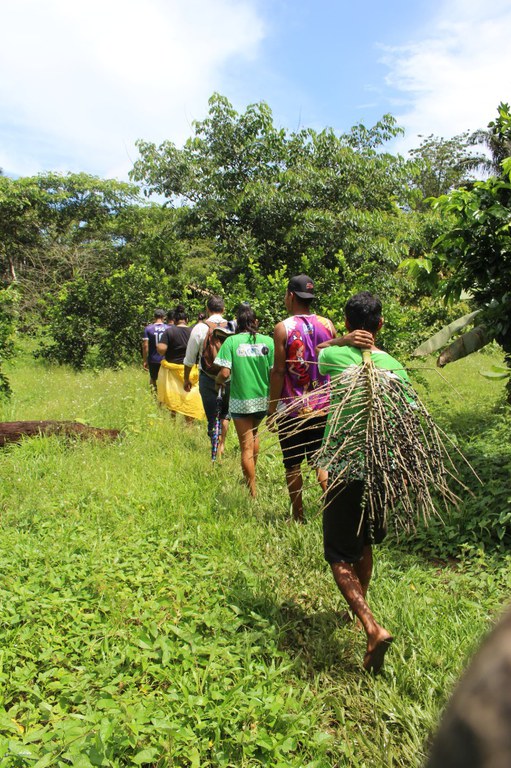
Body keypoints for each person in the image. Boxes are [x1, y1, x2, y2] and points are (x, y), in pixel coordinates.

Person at [316, 291, 410, 674]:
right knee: (366, 541)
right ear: (381, 325)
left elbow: (320, 349)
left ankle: (371, 626)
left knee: (339, 554)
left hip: (345, 470)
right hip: (381, 470)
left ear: (348, 324)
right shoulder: (396, 366)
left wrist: (341, 340)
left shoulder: (335, 356)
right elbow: (408, 416)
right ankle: (361, 610)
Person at [267, 275, 337, 522]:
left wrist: (271, 409)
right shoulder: (327, 325)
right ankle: (334, 513)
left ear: (291, 296)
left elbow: (278, 371)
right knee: (322, 462)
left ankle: (298, 516)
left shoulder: (283, 328)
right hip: (323, 406)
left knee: (292, 464)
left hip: (292, 410)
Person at [215, 304, 274, 497]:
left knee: (245, 446)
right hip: (263, 400)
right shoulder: (268, 342)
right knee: (254, 434)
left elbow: (224, 373)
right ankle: (252, 473)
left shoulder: (231, 342)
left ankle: (252, 491)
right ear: (256, 322)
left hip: (241, 401)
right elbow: (274, 372)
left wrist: (217, 382)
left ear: (237, 324)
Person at [183, 295, 232, 456]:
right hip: (228, 376)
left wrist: (186, 379)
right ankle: (222, 445)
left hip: (207, 376)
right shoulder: (232, 326)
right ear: (223, 309)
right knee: (225, 413)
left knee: (212, 416)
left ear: (207, 309)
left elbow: (190, 358)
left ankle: (214, 448)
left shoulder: (199, 328)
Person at [156, 305, 205, 422]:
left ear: (174, 320)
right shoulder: (192, 331)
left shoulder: (169, 331)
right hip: (190, 370)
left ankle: (172, 421)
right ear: (187, 320)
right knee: (190, 397)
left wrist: (159, 347)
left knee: (172, 396)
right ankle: (189, 424)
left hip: (173, 371)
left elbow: (162, 349)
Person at [142, 309, 168, 392]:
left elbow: (145, 346)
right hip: (165, 359)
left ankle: (154, 397)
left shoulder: (148, 328)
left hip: (153, 359)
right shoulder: (168, 328)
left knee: (153, 379)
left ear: (154, 317)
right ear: (164, 317)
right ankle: (164, 398)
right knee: (166, 380)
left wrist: (145, 360)